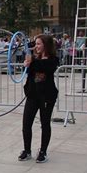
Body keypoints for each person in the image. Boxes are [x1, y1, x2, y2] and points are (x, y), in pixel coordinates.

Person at [18, 34, 59, 163]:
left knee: (45, 123)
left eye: (39, 44)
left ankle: (43, 151)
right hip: (33, 95)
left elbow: (43, 66)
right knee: (26, 123)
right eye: (36, 44)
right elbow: (31, 72)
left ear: (46, 45)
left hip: (47, 96)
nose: (36, 46)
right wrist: (27, 64)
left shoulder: (53, 60)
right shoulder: (34, 59)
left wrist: (31, 62)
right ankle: (27, 150)